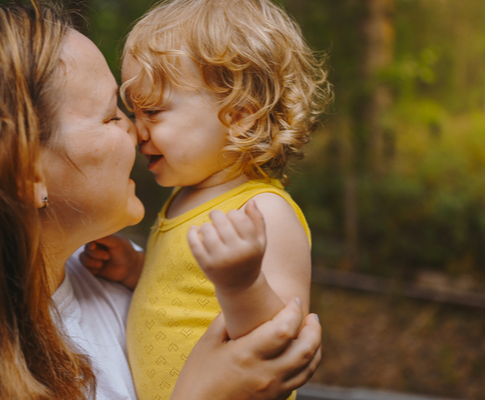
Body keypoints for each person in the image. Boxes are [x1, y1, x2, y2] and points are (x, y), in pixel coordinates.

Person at [0, 3, 322, 400]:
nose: (136, 135)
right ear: (27, 172)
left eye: (142, 112)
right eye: (114, 115)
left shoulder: (111, 297)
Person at [78, 1, 331, 399]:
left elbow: (282, 343)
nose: (136, 130)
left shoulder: (264, 211)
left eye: (154, 111)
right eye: (133, 111)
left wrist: (242, 283)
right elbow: (187, 290)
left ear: (240, 115)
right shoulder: (184, 198)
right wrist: (136, 270)